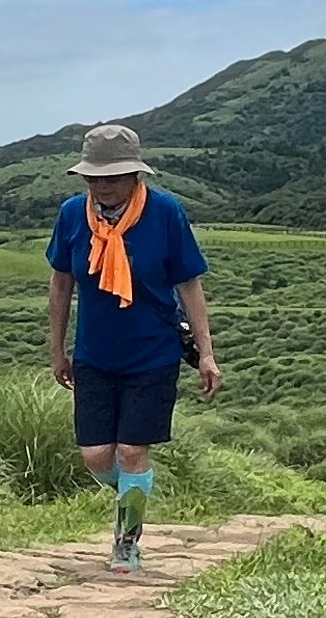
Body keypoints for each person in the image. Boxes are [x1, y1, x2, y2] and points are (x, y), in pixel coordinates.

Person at [44, 122, 219, 569]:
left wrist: (206, 353)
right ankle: (135, 491)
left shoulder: (165, 213)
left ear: (136, 176)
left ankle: (127, 541)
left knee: (132, 451)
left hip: (153, 353)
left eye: (114, 178)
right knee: (96, 455)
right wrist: (57, 348)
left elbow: (189, 284)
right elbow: (61, 284)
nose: (103, 186)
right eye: (94, 178)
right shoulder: (70, 216)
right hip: (95, 353)